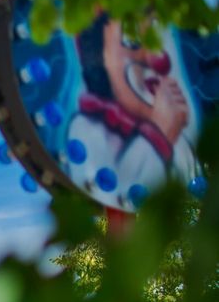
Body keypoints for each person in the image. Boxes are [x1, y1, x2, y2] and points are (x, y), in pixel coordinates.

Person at [66, 12, 199, 204]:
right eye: (132, 39)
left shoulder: (181, 146)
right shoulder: (86, 129)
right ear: (97, 55)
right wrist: (157, 136)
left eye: (157, 37)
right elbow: (116, 198)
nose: (158, 60)